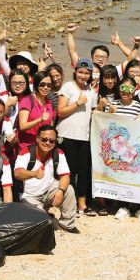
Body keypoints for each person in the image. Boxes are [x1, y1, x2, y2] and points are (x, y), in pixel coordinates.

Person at [14, 126, 79, 231]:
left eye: (51, 141)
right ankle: (46, 216)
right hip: (29, 196)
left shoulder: (58, 153)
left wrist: (61, 191)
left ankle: (67, 224)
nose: (47, 143)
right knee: (42, 225)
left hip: (48, 192)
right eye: (44, 139)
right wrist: (34, 174)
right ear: (37, 139)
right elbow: (17, 173)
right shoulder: (26, 152)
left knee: (69, 189)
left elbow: (65, 176)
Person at [56, 58, 97, 216]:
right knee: (70, 171)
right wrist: (78, 103)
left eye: (87, 73)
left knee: (84, 171)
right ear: (75, 71)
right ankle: (69, 204)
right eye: (80, 72)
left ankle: (82, 205)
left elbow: (93, 112)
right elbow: (60, 112)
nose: (83, 75)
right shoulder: (68, 87)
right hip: (67, 135)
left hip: (85, 136)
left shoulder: (91, 90)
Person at [16, 73, 56, 148]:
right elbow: (22, 126)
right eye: (42, 85)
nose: (46, 87)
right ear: (36, 84)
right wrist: (39, 119)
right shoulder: (27, 100)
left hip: (43, 147)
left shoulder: (50, 103)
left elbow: (50, 125)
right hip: (27, 146)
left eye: (49, 85)